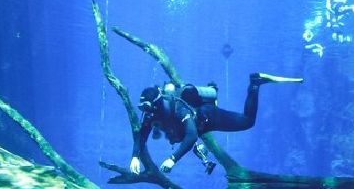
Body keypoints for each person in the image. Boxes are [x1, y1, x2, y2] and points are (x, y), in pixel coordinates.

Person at [128, 72, 303, 174]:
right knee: (180, 136)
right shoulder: (151, 114)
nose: (144, 111)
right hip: (192, 123)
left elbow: (191, 136)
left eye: (146, 107)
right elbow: (141, 136)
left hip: (208, 117)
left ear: (155, 104)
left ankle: (255, 83)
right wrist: (135, 156)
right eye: (142, 107)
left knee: (247, 122)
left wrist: (173, 159)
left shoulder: (178, 109)